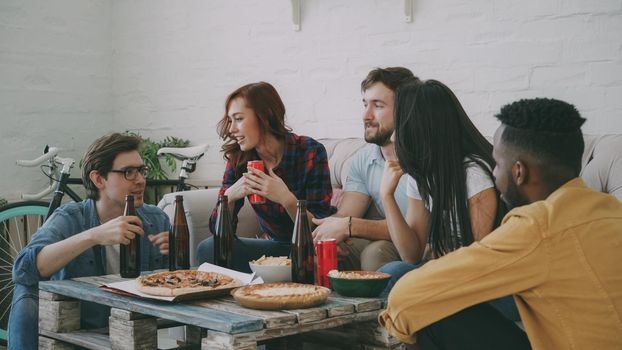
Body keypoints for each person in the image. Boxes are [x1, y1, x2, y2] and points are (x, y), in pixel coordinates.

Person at [379, 98, 622, 350]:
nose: (494, 173)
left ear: (519, 172)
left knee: (430, 316)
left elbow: (407, 297)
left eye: (497, 163)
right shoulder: (612, 210)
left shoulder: (537, 226)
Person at [8, 133, 170, 350]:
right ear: (98, 179)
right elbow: (23, 270)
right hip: (82, 329)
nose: (140, 179)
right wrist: (93, 235)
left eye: (141, 170)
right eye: (128, 172)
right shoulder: (71, 218)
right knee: (26, 294)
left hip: (134, 329)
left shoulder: (156, 219)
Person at [196, 82, 333, 272]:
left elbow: (320, 229)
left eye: (239, 119)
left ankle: (268, 280)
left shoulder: (310, 151)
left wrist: (286, 199)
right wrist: (229, 197)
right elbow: (218, 231)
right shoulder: (239, 158)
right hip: (273, 248)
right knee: (208, 248)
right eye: (230, 120)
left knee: (308, 264)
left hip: (308, 248)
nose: (231, 129)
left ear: (265, 116)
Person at [312, 67, 419, 271]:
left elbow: (417, 230)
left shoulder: (425, 159)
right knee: (324, 249)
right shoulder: (363, 159)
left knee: (375, 253)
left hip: (422, 247)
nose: (366, 115)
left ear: (405, 109)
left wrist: (351, 226)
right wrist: (323, 233)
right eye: (365, 104)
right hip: (391, 241)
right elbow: (347, 215)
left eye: (377, 106)